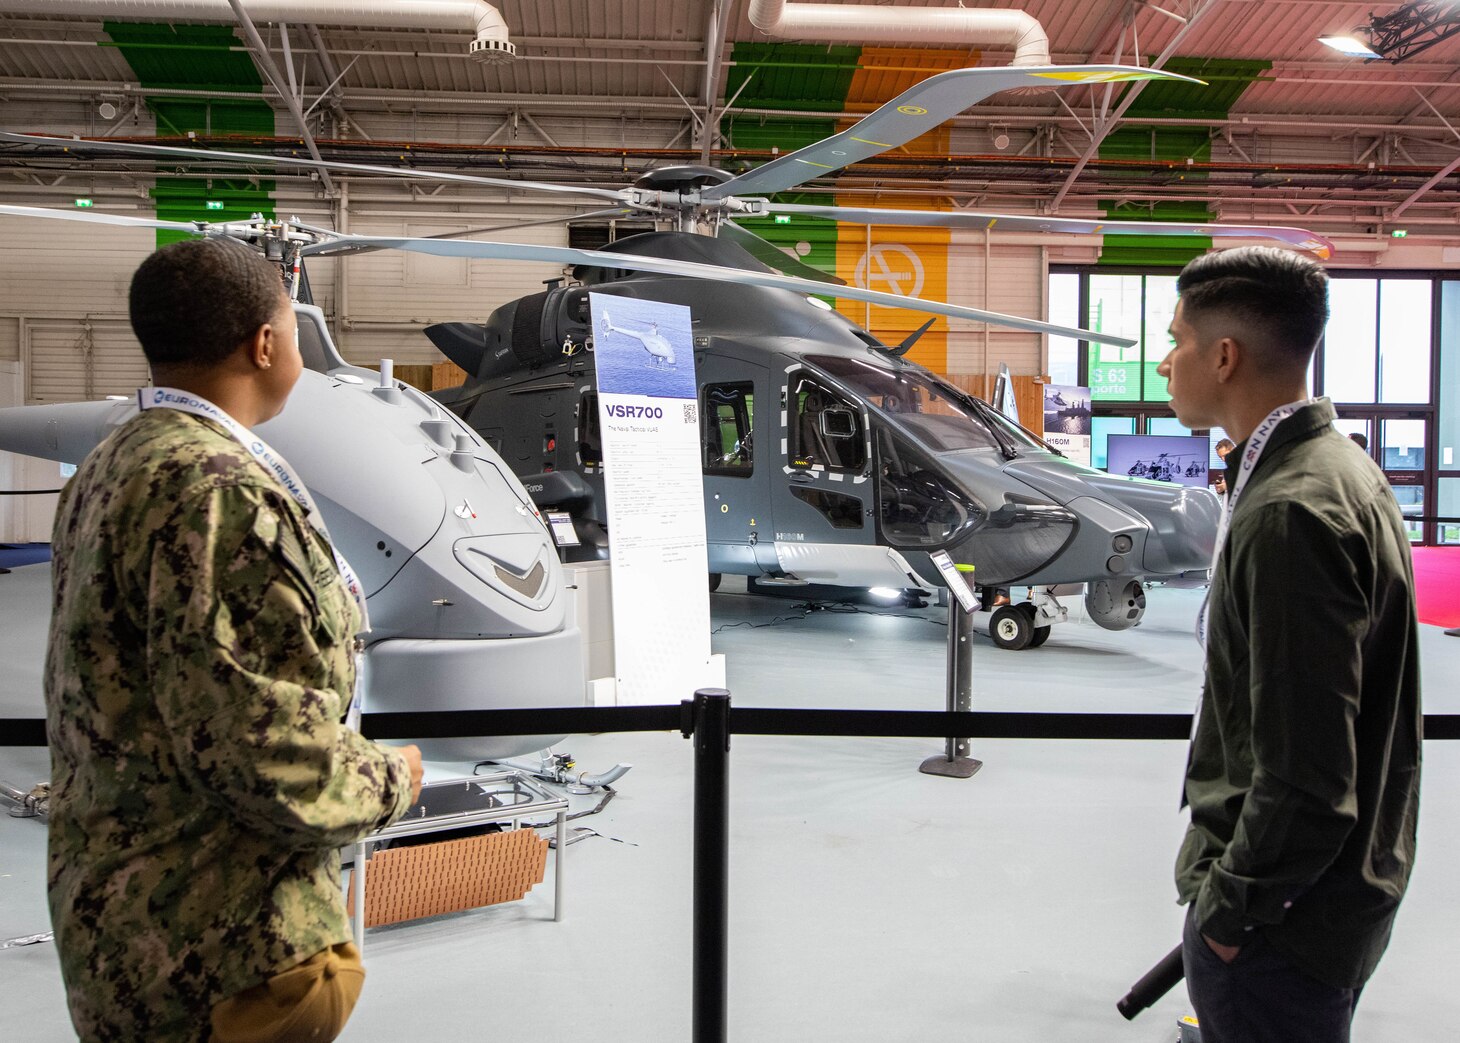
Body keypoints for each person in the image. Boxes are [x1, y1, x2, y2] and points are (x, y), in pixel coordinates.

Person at [44, 237, 424, 1042]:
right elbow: (261, 745)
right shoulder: (221, 491)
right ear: (265, 343)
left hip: (122, 923)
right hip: (221, 948)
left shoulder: (108, 467)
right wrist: (392, 777)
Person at [1156, 246, 1420, 1043]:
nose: (1168, 361)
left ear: (1224, 356)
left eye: (1177, 340)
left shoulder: (1289, 513)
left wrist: (1228, 913)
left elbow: (1308, 776)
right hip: (1329, 904)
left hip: (1280, 929)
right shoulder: (1337, 470)